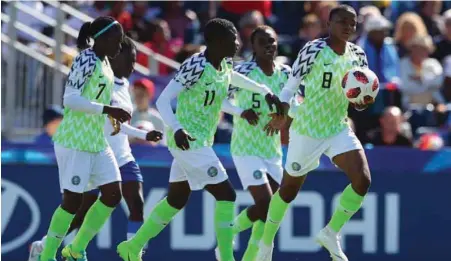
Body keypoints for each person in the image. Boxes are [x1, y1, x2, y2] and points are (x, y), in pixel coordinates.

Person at [116, 18, 283, 261]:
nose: (237, 43)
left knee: (176, 198)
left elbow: (234, 79)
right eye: (232, 39)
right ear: (216, 42)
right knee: (227, 195)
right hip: (188, 140)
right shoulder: (195, 66)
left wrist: (264, 91)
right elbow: (163, 100)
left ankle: (133, 246)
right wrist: (177, 128)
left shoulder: (224, 64)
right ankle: (225, 257)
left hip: (201, 140)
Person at [28, 36, 163, 261]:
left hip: (121, 154)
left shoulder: (124, 84)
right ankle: (47, 246)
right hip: (95, 151)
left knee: (135, 201)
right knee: (79, 212)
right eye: (131, 59)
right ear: (115, 58)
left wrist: (143, 134)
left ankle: (134, 254)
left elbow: (119, 124)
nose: (134, 65)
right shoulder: (100, 82)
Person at [257, 5, 373, 261]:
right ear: (329, 24)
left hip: (338, 127)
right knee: (288, 190)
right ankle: (266, 243)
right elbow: (291, 86)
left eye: (352, 24)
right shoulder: (314, 49)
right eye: (342, 22)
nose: (348, 27)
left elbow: (357, 98)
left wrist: (361, 103)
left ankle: (331, 232)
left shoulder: (359, 55)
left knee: (363, 180)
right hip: (308, 128)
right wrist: (282, 113)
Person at [37, 16, 131, 261]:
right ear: (102, 38)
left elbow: (97, 97)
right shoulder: (85, 59)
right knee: (72, 202)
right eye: (117, 40)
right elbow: (70, 99)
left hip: (96, 140)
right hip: (76, 139)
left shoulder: (106, 62)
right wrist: (108, 110)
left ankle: (75, 249)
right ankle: (46, 255)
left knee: (112, 194)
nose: (120, 46)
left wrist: (110, 114)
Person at [214, 25, 291, 261]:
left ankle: (248, 255)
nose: (269, 46)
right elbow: (218, 99)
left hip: (272, 150)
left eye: (272, 41)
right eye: (263, 42)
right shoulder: (243, 71)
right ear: (253, 47)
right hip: (246, 149)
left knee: (272, 210)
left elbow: (296, 105)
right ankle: (230, 235)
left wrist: (285, 117)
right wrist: (240, 111)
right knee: (266, 204)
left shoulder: (286, 73)